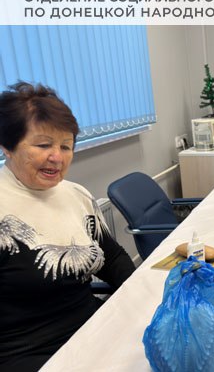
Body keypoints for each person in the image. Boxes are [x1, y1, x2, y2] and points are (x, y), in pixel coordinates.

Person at [0, 82, 136, 371]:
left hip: (91, 329)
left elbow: (112, 258)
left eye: (66, 146)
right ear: (7, 147)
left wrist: (142, 296)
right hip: (27, 352)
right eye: (43, 145)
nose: (57, 157)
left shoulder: (75, 195)